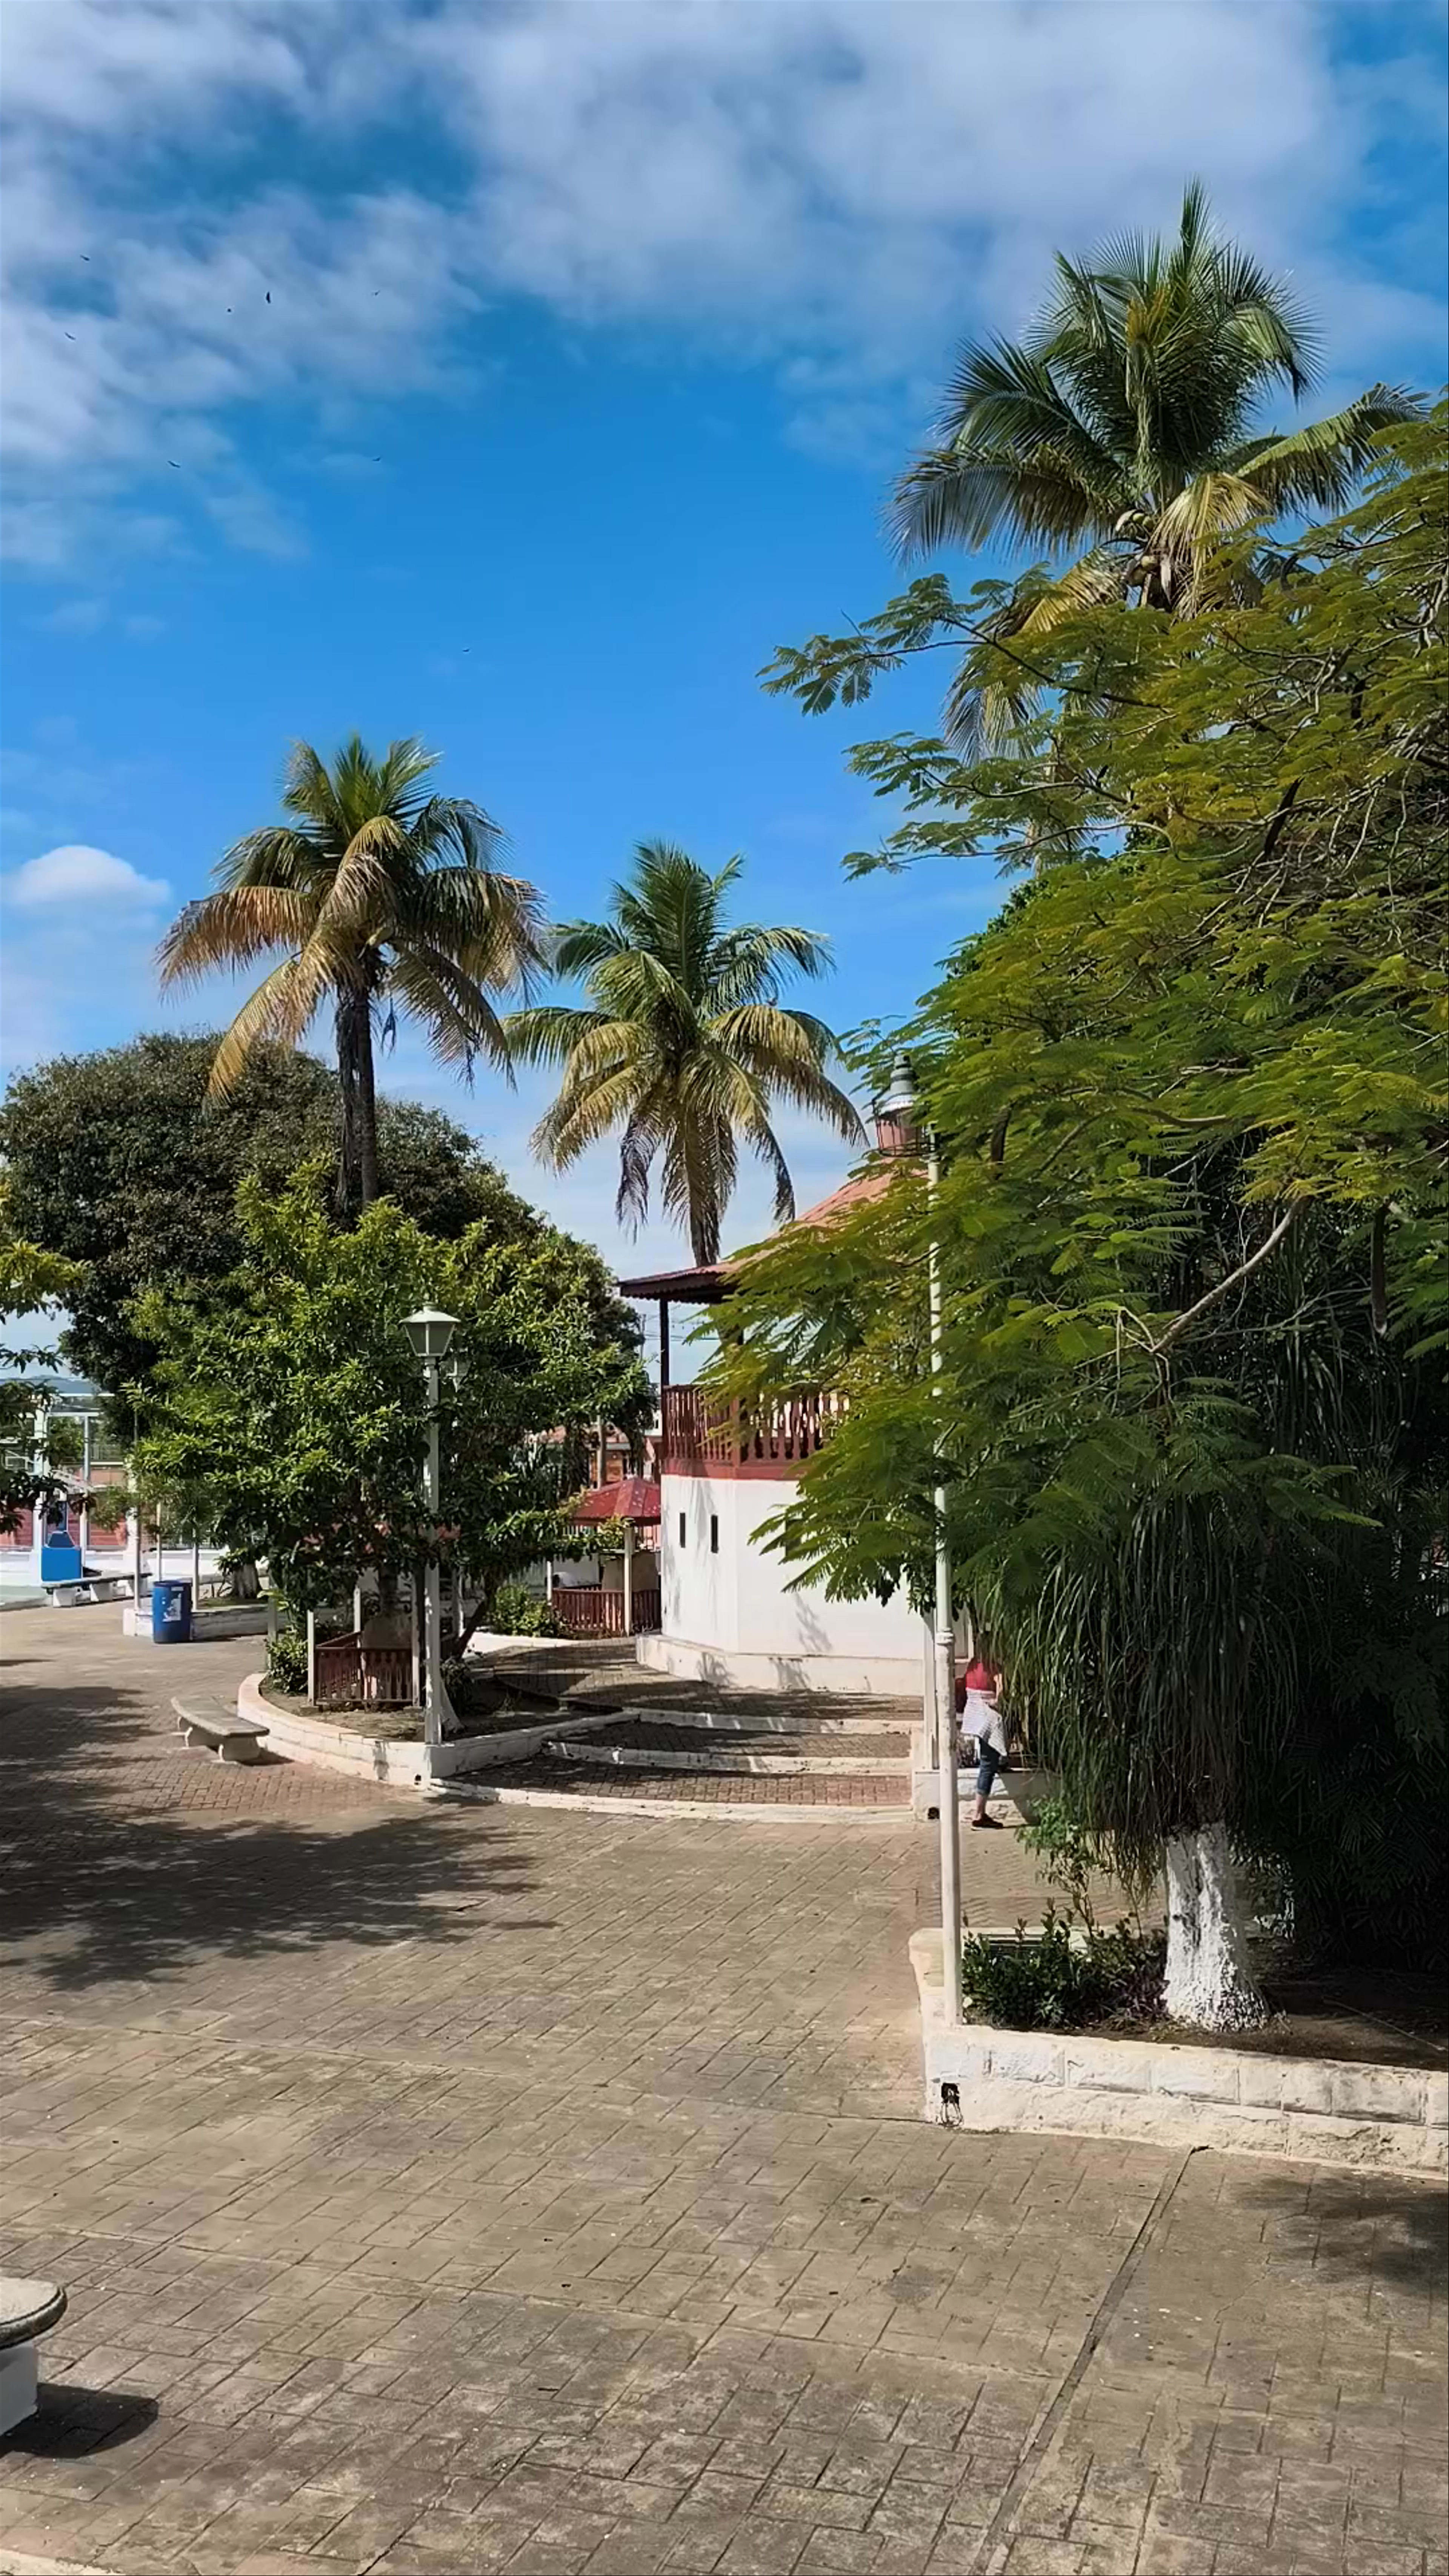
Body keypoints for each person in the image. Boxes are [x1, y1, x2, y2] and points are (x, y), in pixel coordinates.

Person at [957, 1653, 1009, 1829]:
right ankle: (979, 1814)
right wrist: (997, 1701)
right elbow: (1001, 1685)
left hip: (975, 1714)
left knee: (987, 1760)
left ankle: (980, 1812)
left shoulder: (973, 1664)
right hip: (988, 1715)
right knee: (988, 1764)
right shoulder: (993, 1664)